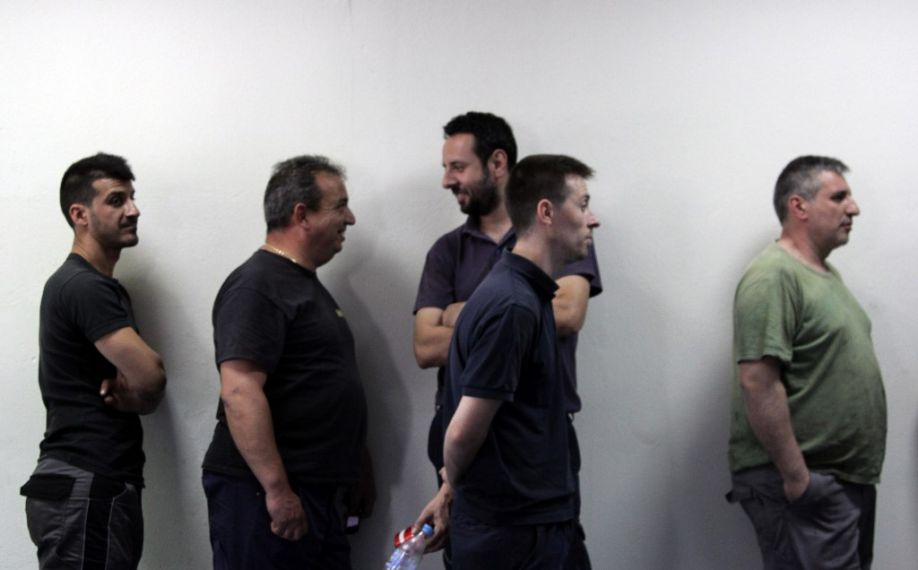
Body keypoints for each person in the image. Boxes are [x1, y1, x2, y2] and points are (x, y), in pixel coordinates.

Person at [412, 112, 602, 568]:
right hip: (514, 521)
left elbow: (569, 314)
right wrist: (451, 484)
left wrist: (456, 311)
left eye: (457, 166)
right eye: (583, 205)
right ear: (546, 213)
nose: (594, 220)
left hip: (533, 496)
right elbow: (462, 430)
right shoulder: (513, 304)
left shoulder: (520, 292)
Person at [201, 155, 375, 570]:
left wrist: (355, 464)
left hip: (316, 493)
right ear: (302, 215)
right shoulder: (257, 285)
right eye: (340, 206)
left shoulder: (304, 286)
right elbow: (240, 391)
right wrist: (277, 491)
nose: (350, 218)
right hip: (265, 496)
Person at [726, 156, 886, 569]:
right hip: (807, 485)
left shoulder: (825, 275)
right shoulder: (774, 275)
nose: (854, 208)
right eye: (839, 197)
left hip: (840, 482)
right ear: (799, 206)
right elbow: (757, 381)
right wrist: (798, 478)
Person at [20, 153, 167, 569]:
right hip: (86, 481)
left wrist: (141, 395)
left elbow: (145, 388)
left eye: (132, 198)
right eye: (117, 200)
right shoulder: (84, 286)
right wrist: (143, 391)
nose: (133, 210)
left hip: (90, 483)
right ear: (79, 214)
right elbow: (151, 375)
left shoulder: (92, 285)